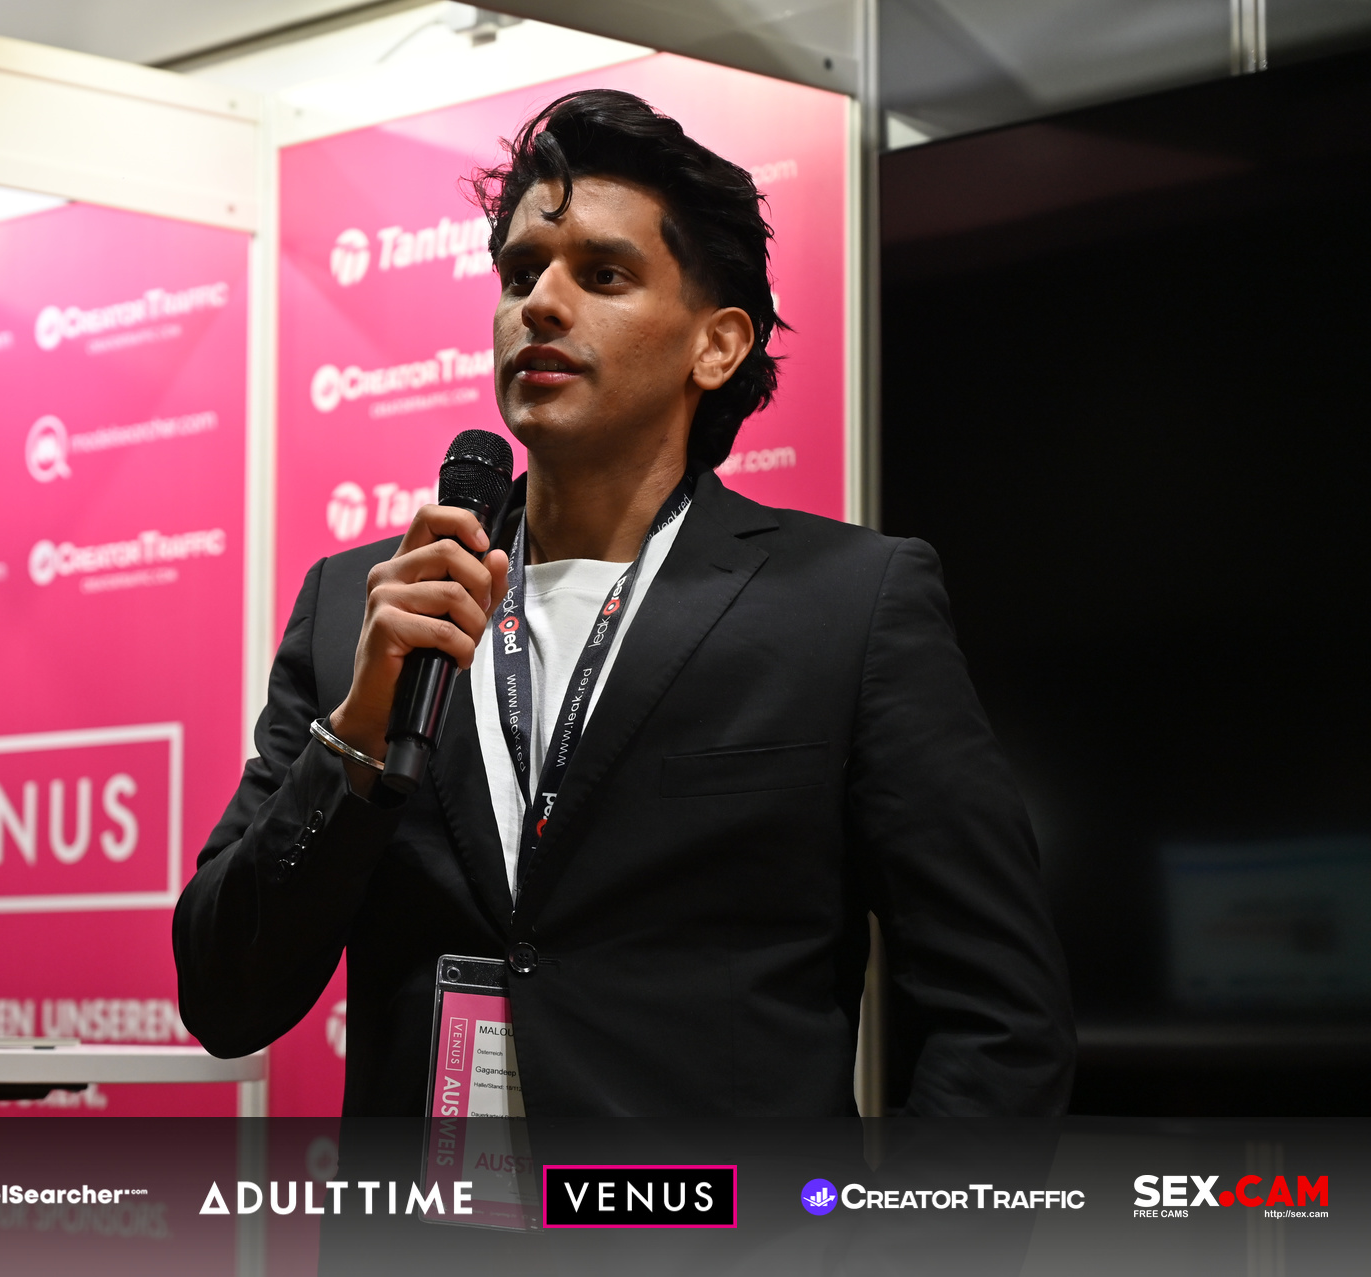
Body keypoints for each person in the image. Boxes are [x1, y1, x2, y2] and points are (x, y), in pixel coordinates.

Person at [174, 89, 1074, 1116]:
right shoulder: (364, 608)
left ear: (717, 345)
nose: (540, 306)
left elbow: (1000, 1021)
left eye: (602, 274)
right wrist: (356, 741)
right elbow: (222, 997)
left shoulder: (849, 605)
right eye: (521, 274)